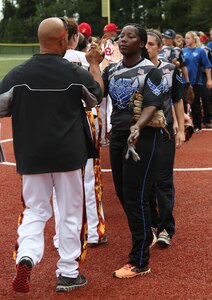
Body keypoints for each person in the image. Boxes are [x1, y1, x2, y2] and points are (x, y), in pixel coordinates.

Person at [0, 17, 103, 293]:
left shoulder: (17, 74)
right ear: (62, 40)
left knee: (35, 210)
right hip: (68, 154)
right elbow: (96, 97)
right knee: (69, 211)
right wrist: (94, 65)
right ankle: (68, 272)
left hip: (32, 154)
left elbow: (1, 107)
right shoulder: (74, 72)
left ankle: (27, 256)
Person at [102, 23, 168, 278]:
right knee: (122, 193)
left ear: (141, 44)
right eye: (121, 36)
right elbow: (98, 93)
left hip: (143, 137)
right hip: (118, 135)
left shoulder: (151, 72)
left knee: (136, 195)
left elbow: (154, 103)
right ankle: (145, 232)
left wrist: (138, 127)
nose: (123, 39)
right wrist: (95, 67)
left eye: (130, 36)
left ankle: (140, 261)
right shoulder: (114, 69)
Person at [52, 18, 107, 249]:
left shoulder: (48, 60)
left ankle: (61, 234)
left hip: (55, 119)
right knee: (88, 177)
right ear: (74, 37)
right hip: (85, 117)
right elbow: (99, 93)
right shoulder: (84, 58)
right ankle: (93, 231)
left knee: (57, 181)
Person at [146, 30, 185, 247]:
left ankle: (166, 228)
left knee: (163, 182)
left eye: (153, 44)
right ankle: (152, 221)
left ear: (160, 47)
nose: (149, 47)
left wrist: (179, 129)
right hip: (142, 135)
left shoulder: (170, 69)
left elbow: (178, 99)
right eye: (147, 44)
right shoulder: (136, 69)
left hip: (164, 133)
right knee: (147, 183)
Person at [182, 31, 212, 132]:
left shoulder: (200, 51)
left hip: (196, 81)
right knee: (183, 103)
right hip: (184, 81)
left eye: (188, 38)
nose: (186, 40)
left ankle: (197, 124)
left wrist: (209, 79)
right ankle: (184, 123)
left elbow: (207, 66)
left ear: (194, 39)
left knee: (195, 103)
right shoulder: (183, 51)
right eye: (185, 38)